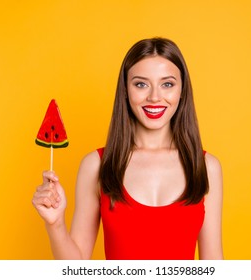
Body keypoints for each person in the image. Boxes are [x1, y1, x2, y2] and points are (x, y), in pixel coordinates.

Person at [32, 37, 223, 260]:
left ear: (182, 91)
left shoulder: (206, 167)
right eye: (141, 84)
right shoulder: (96, 165)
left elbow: (213, 265)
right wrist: (55, 224)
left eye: (167, 84)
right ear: (125, 90)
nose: (154, 97)